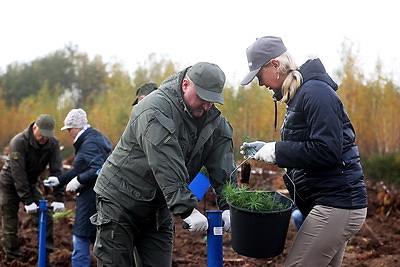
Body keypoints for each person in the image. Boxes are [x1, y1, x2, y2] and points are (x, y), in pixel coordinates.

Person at [91, 62, 237, 266]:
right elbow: (165, 161)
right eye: (202, 98)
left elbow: (224, 166)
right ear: (185, 84)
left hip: (158, 209)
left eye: (212, 101)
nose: (206, 106)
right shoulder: (154, 108)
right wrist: (187, 208)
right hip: (120, 201)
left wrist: (230, 206)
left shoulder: (214, 122)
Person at [240, 36, 368, 266]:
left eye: (259, 75)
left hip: (337, 203)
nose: (260, 83)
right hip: (328, 203)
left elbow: (327, 150)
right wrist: (268, 149)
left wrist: (276, 151)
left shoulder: (315, 93)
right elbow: (308, 146)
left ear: (275, 65)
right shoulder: (299, 97)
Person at [44, 108, 112, 267]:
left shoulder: (90, 143)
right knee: (97, 237)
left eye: (69, 130)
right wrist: (59, 180)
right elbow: (81, 167)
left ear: (76, 128)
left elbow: (100, 168)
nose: (69, 134)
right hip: (94, 196)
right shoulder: (90, 140)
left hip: (92, 197)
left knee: (81, 236)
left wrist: (79, 180)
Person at [0, 114, 65, 265]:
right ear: (34, 127)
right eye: (42, 135)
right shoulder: (18, 142)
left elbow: (57, 171)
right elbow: (18, 173)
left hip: (30, 184)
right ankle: (13, 259)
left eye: (47, 136)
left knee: (46, 218)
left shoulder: (53, 144)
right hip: (9, 184)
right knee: (10, 225)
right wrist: (28, 200)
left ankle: (45, 255)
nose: (44, 138)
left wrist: (59, 198)